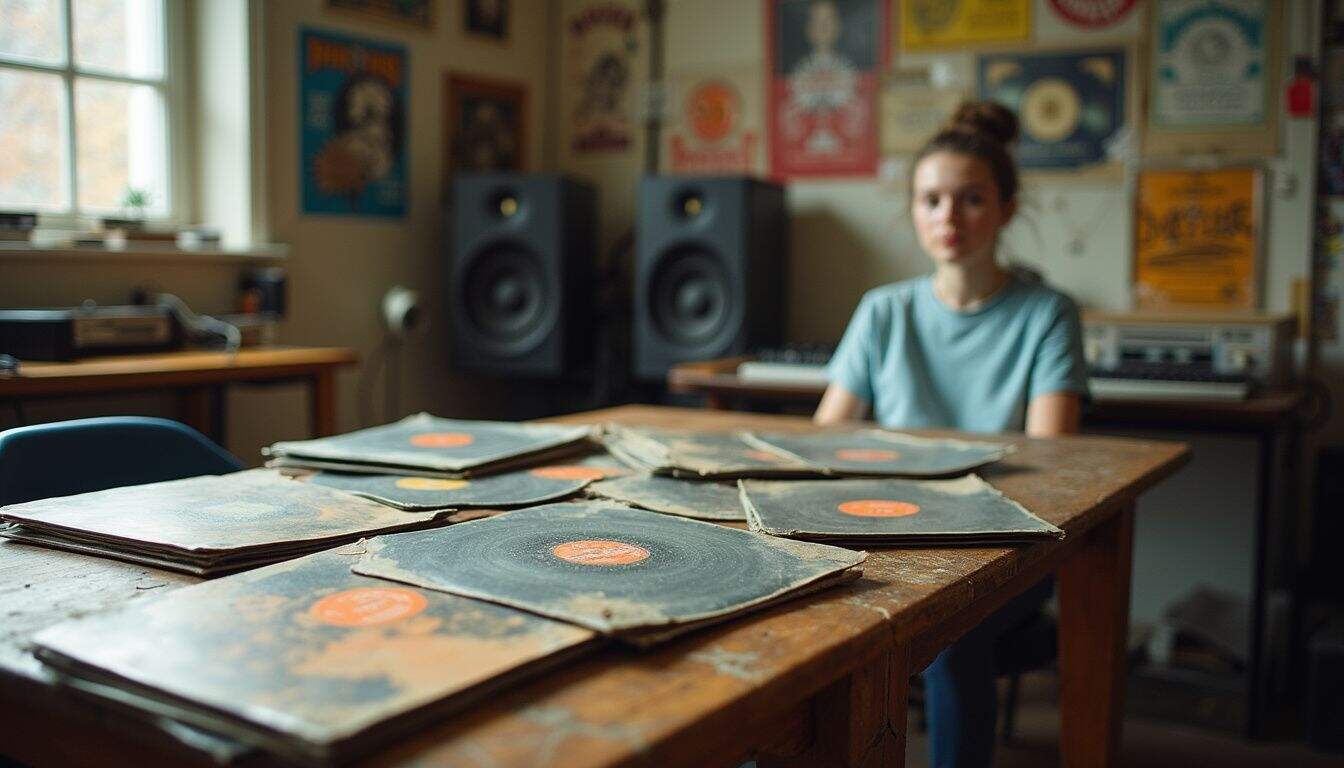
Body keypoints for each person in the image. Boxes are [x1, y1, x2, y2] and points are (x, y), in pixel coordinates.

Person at [814, 101, 1088, 767]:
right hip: (887, 532)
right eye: (931, 200)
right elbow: (823, 443)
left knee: (953, 630)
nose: (948, 218)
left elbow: (1046, 464)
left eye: (970, 199)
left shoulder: (1048, 315)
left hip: (999, 548)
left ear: (1006, 207)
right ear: (912, 209)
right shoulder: (883, 311)